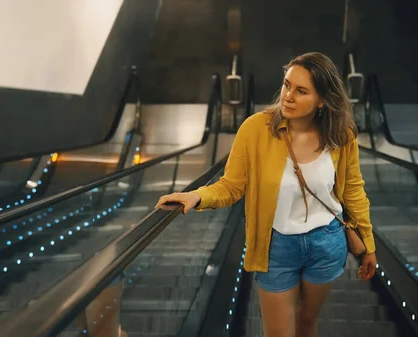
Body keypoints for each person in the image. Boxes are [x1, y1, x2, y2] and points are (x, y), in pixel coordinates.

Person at [155, 52, 377, 337]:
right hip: (276, 247)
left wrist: (368, 244)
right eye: (286, 85)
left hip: (327, 243)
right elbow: (231, 186)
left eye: (301, 91)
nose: (288, 96)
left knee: (307, 322)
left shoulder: (341, 135)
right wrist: (196, 196)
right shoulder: (255, 129)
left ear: (322, 100)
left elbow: (354, 190)